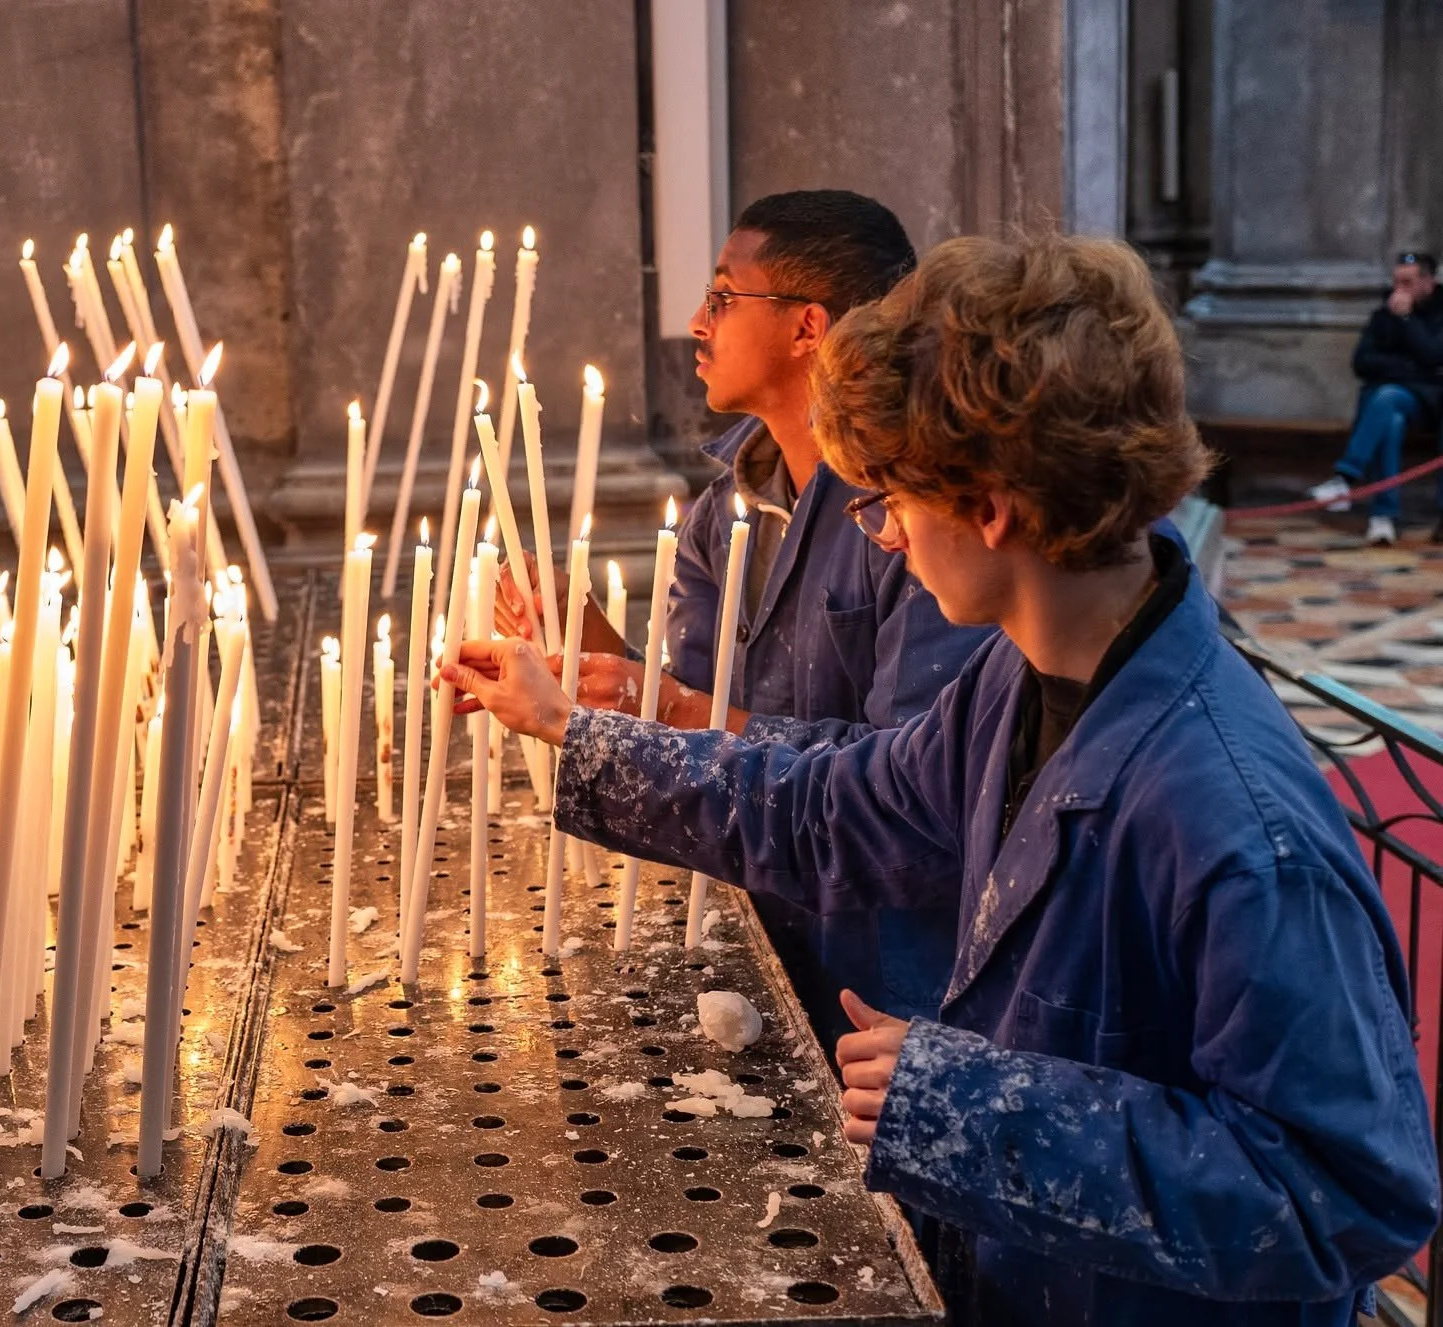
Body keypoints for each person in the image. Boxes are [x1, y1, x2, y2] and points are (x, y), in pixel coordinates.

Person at [447, 234, 1440, 1324]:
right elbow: (833, 809)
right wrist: (574, 728)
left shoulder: (1235, 819)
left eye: (886, 502)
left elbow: (1347, 1190)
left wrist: (966, 1102)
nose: (882, 538)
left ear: (992, 509)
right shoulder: (1022, 683)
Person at [514, 191, 992, 1044]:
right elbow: (688, 707)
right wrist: (582, 637)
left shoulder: (913, 520)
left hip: (894, 973)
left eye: (723, 297)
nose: (697, 321)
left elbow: (913, 784)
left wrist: (646, 713)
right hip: (764, 913)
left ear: (809, 326)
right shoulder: (727, 506)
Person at [1307, 251, 1442, 545]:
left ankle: (1345, 479)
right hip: (1394, 399)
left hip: (1431, 402)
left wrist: (1406, 322)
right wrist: (1411, 369)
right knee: (1389, 417)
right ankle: (1384, 517)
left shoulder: (1435, 313)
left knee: (1386, 394)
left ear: (1428, 283)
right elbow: (1363, 362)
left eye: (1407, 282)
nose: (1399, 290)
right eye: (1396, 282)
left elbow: (1434, 355)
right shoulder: (1383, 314)